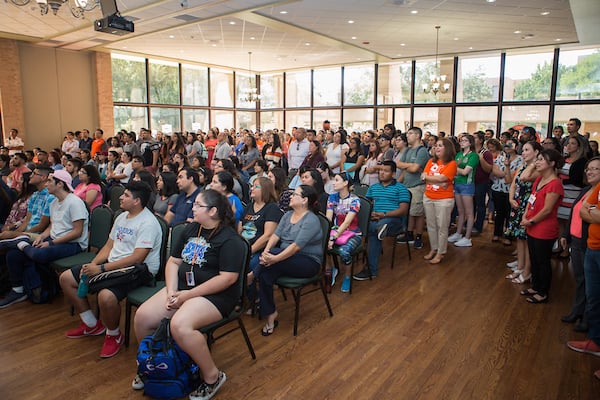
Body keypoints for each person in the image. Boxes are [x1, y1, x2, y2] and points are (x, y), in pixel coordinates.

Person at [133, 189, 246, 398]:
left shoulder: (230, 240)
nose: (192, 208)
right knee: (142, 317)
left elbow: (227, 278)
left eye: (197, 205)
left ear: (213, 211)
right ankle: (154, 364)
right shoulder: (192, 229)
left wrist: (187, 296)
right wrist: (172, 290)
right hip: (182, 288)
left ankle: (212, 376)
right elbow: (174, 262)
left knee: (180, 325)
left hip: (215, 295)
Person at [59, 181, 162, 358]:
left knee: (105, 296)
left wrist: (101, 268)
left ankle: (113, 335)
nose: (120, 197)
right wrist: (93, 264)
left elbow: (138, 258)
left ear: (137, 201)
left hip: (139, 271)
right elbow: (108, 245)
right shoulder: (121, 216)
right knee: (66, 278)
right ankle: (91, 324)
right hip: (114, 266)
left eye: (126, 195)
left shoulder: (148, 223)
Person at [0, 170, 89, 308]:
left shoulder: (75, 202)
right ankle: (18, 291)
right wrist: (42, 237)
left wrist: (51, 243)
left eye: (49, 181)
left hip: (73, 244)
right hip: (54, 238)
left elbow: (77, 232)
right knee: (13, 254)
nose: (46, 184)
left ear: (60, 184)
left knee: (39, 254)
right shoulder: (54, 203)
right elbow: (52, 226)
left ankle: (20, 243)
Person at [257, 185, 323, 336]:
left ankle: (250, 278)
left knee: (267, 263)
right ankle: (271, 313)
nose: (291, 196)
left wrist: (273, 258)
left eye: (295, 194)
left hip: (308, 263)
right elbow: (275, 236)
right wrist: (267, 252)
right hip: (284, 258)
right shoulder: (287, 215)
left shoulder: (311, 220)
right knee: (265, 274)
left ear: (304, 200)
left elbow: (295, 248)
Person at [560, 157, 600, 331]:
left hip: (587, 243)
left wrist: (587, 212)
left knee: (590, 284)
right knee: (580, 279)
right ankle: (577, 311)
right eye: (588, 169)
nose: (589, 172)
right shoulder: (586, 190)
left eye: (595, 169)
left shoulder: (596, 195)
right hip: (575, 241)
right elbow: (575, 213)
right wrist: (566, 234)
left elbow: (590, 216)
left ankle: (586, 318)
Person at [520, 149, 564, 304]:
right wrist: (526, 216)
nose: (537, 162)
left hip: (544, 228)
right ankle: (536, 286)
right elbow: (531, 199)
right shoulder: (539, 180)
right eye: (536, 159)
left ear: (552, 164)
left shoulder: (555, 183)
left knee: (542, 261)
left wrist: (531, 221)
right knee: (534, 258)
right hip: (531, 224)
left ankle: (543, 292)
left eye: (541, 160)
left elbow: (547, 209)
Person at [353, 161, 410, 280]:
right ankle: (371, 269)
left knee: (380, 225)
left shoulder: (401, 188)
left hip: (394, 221)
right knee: (374, 231)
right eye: (380, 170)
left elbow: (404, 210)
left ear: (393, 174)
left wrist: (384, 214)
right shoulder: (373, 188)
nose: (382, 173)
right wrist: (370, 214)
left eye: (386, 171)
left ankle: (370, 269)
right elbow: (366, 205)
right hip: (375, 218)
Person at [504, 141, 541, 284]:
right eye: (523, 150)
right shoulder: (522, 166)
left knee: (526, 239)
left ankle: (527, 270)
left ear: (536, 152)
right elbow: (513, 183)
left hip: (529, 205)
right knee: (519, 237)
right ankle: (519, 266)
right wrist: (511, 198)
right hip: (518, 203)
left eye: (527, 150)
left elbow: (525, 177)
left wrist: (532, 164)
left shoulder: (536, 168)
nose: (523, 153)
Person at [239, 177, 283, 299]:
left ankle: (252, 298)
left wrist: (249, 251)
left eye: (256, 186)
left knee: (249, 264)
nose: (252, 189)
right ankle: (237, 297)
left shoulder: (272, 208)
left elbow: (268, 236)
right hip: (245, 246)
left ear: (265, 190)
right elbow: (240, 230)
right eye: (252, 186)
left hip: (260, 250)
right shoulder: (248, 207)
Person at [421, 138, 458, 265]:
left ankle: (441, 252)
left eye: (440, 146)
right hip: (428, 196)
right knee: (431, 225)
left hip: (444, 199)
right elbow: (423, 177)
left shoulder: (452, 163)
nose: (437, 148)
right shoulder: (430, 161)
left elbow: (443, 178)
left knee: (442, 226)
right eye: (436, 145)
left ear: (447, 148)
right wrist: (437, 180)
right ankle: (433, 248)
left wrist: (432, 178)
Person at [396, 127, 430, 249]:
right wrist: (411, 165)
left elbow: (415, 169)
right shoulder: (408, 150)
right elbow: (399, 164)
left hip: (418, 186)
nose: (407, 135)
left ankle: (419, 236)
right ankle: (409, 233)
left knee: (418, 212)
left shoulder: (422, 151)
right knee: (410, 211)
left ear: (417, 136)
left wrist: (409, 166)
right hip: (407, 185)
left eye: (410, 133)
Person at [326, 172, 361, 292]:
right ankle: (330, 271)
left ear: (345, 183)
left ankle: (347, 276)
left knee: (344, 252)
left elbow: (347, 223)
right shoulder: (332, 197)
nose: (334, 183)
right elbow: (328, 219)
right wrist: (327, 237)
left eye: (337, 180)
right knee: (321, 246)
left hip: (353, 234)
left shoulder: (355, 200)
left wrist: (332, 238)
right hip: (335, 232)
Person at [447, 134, 479, 247]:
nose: (462, 142)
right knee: (460, 211)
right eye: (461, 141)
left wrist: (455, 168)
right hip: (457, 183)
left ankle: (467, 237)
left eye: (465, 141)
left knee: (469, 212)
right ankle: (458, 232)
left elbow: (466, 172)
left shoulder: (474, 156)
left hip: (467, 185)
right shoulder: (459, 154)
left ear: (470, 143)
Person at [490, 139, 522, 244]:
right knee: (499, 213)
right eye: (506, 144)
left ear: (516, 147)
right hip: (498, 189)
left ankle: (508, 235)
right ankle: (497, 234)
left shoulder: (520, 160)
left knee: (509, 214)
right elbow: (495, 172)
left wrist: (505, 173)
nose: (507, 146)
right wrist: (507, 173)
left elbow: (514, 177)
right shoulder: (499, 157)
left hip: (512, 191)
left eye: (510, 144)